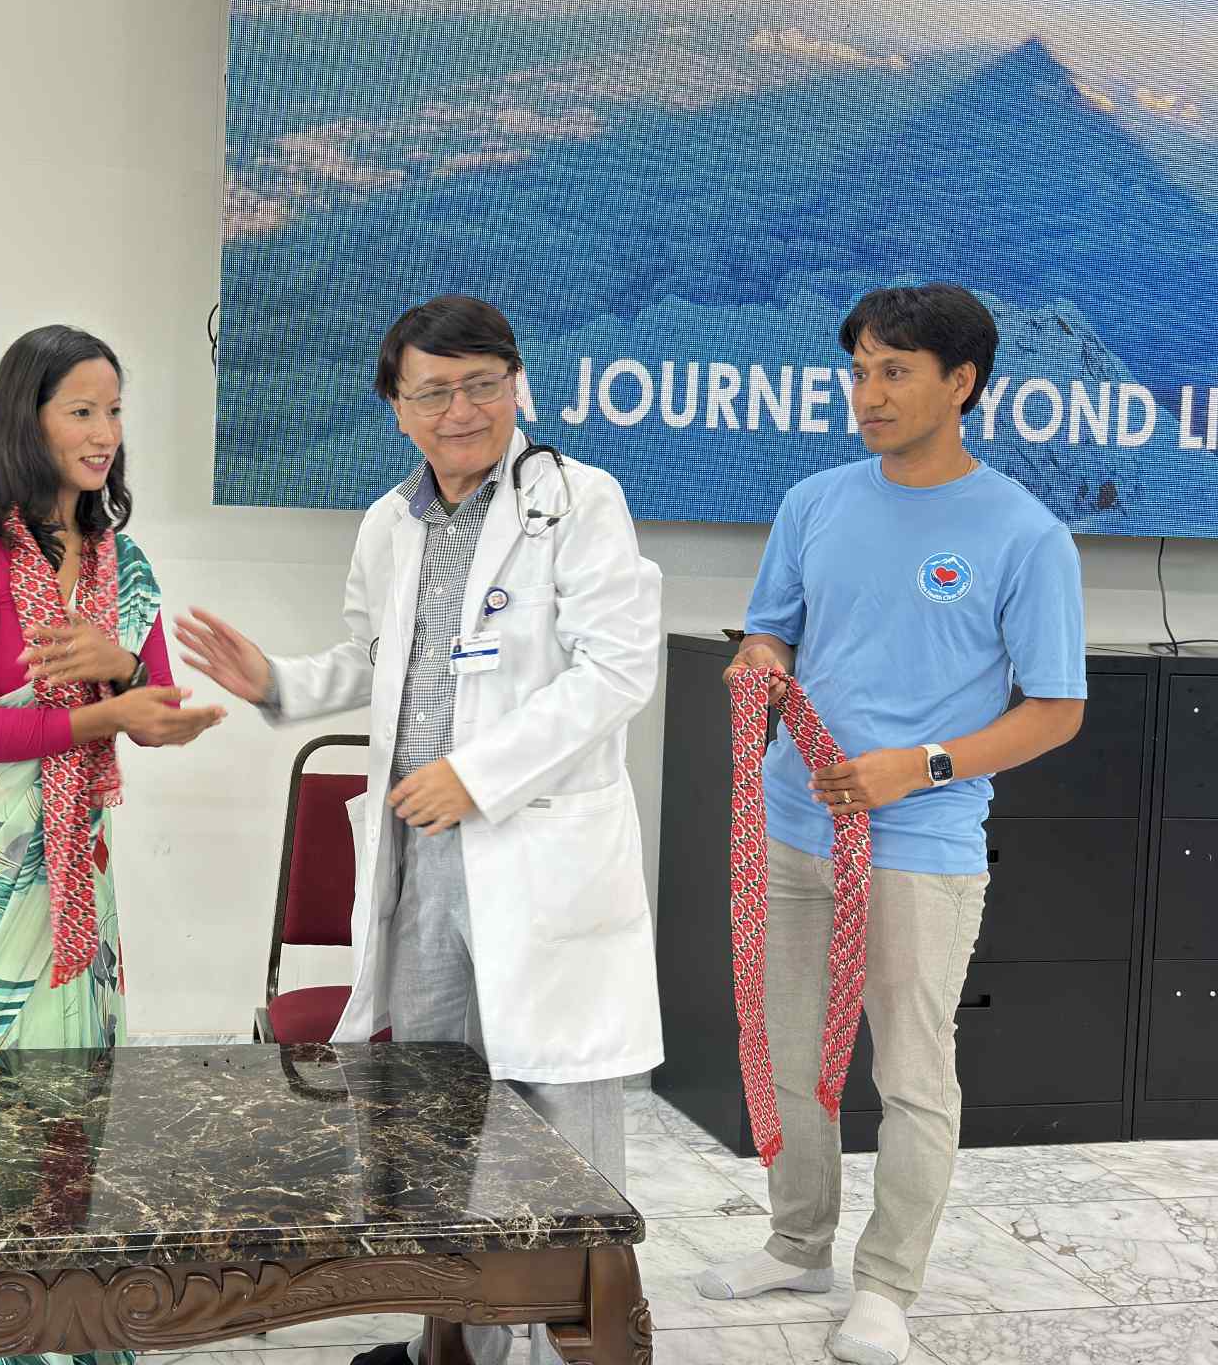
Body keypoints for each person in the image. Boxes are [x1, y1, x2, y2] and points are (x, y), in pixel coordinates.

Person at [177, 295, 663, 1365]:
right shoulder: (388, 524)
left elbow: (618, 669)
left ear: (517, 387)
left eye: (482, 384)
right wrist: (278, 682)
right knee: (440, 1112)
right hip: (422, 856)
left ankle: (581, 1346)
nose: (460, 411)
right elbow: (376, 658)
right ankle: (463, 1346)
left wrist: (476, 777)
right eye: (432, 391)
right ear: (395, 408)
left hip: (534, 848)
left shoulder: (579, 503)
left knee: (558, 1115)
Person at [696, 283, 1086, 1365]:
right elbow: (773, 632)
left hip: (919, 848)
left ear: (960, 384)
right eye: (859, 371)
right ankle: (796, 1245)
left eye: (894, 372)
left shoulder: (1025, 534)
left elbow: (1055, 711)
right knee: (787, 1055)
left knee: (910, 1077)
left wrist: (919, 767)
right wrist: (757, 662)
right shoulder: (813, 501)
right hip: (793, 828)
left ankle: (886, 1288)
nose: (867, 394)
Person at [0, 324, 223, 1365]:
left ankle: (74, 1338)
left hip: (77, 873)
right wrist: (102, 714)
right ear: (25, 422)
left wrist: (122, 670)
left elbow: (158, 714)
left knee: (72, 1123)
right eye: (81, 410)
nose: (104, 432)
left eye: (113, 410)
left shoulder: (124, 561)